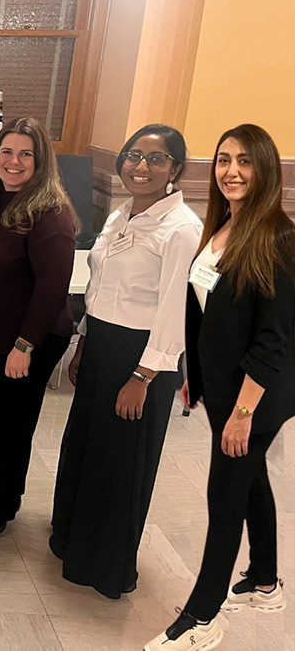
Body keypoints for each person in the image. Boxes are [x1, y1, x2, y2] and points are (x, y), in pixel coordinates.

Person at [144, 125, 295, 651]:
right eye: (225, 160)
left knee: (225, 493)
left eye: (246, 162)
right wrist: (196, 377)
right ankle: (264, 581)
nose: (232, 171)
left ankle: (203, 618)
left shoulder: (278, 237)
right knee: (250, 480)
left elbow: (274, 339)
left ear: (266, 171)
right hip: (224, 386)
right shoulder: (225, 225)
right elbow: (206, 311)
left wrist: (243, 412)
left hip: (256, 393)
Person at [50, 125, 201, 598]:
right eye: (133, 155)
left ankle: (107, 565)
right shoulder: (120, 217)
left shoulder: (182, 230)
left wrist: (142, 376)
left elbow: (178, 312)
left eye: (156, 159)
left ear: (176, 169)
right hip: (101, 347)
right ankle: (72, 539)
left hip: (143, 360)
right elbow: (98, 291)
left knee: (122, 459)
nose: (141, 166)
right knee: (86, 447)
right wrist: (83, 344)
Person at [0, 117, 77, 546]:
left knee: (12, 425)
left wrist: (25, 345)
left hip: (26, 342)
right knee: (0, 421)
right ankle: (0, 493)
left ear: (41, 161)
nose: (15, 161)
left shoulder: (50, 214)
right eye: (7, 151)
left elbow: (53, 288)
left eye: (26, 153)